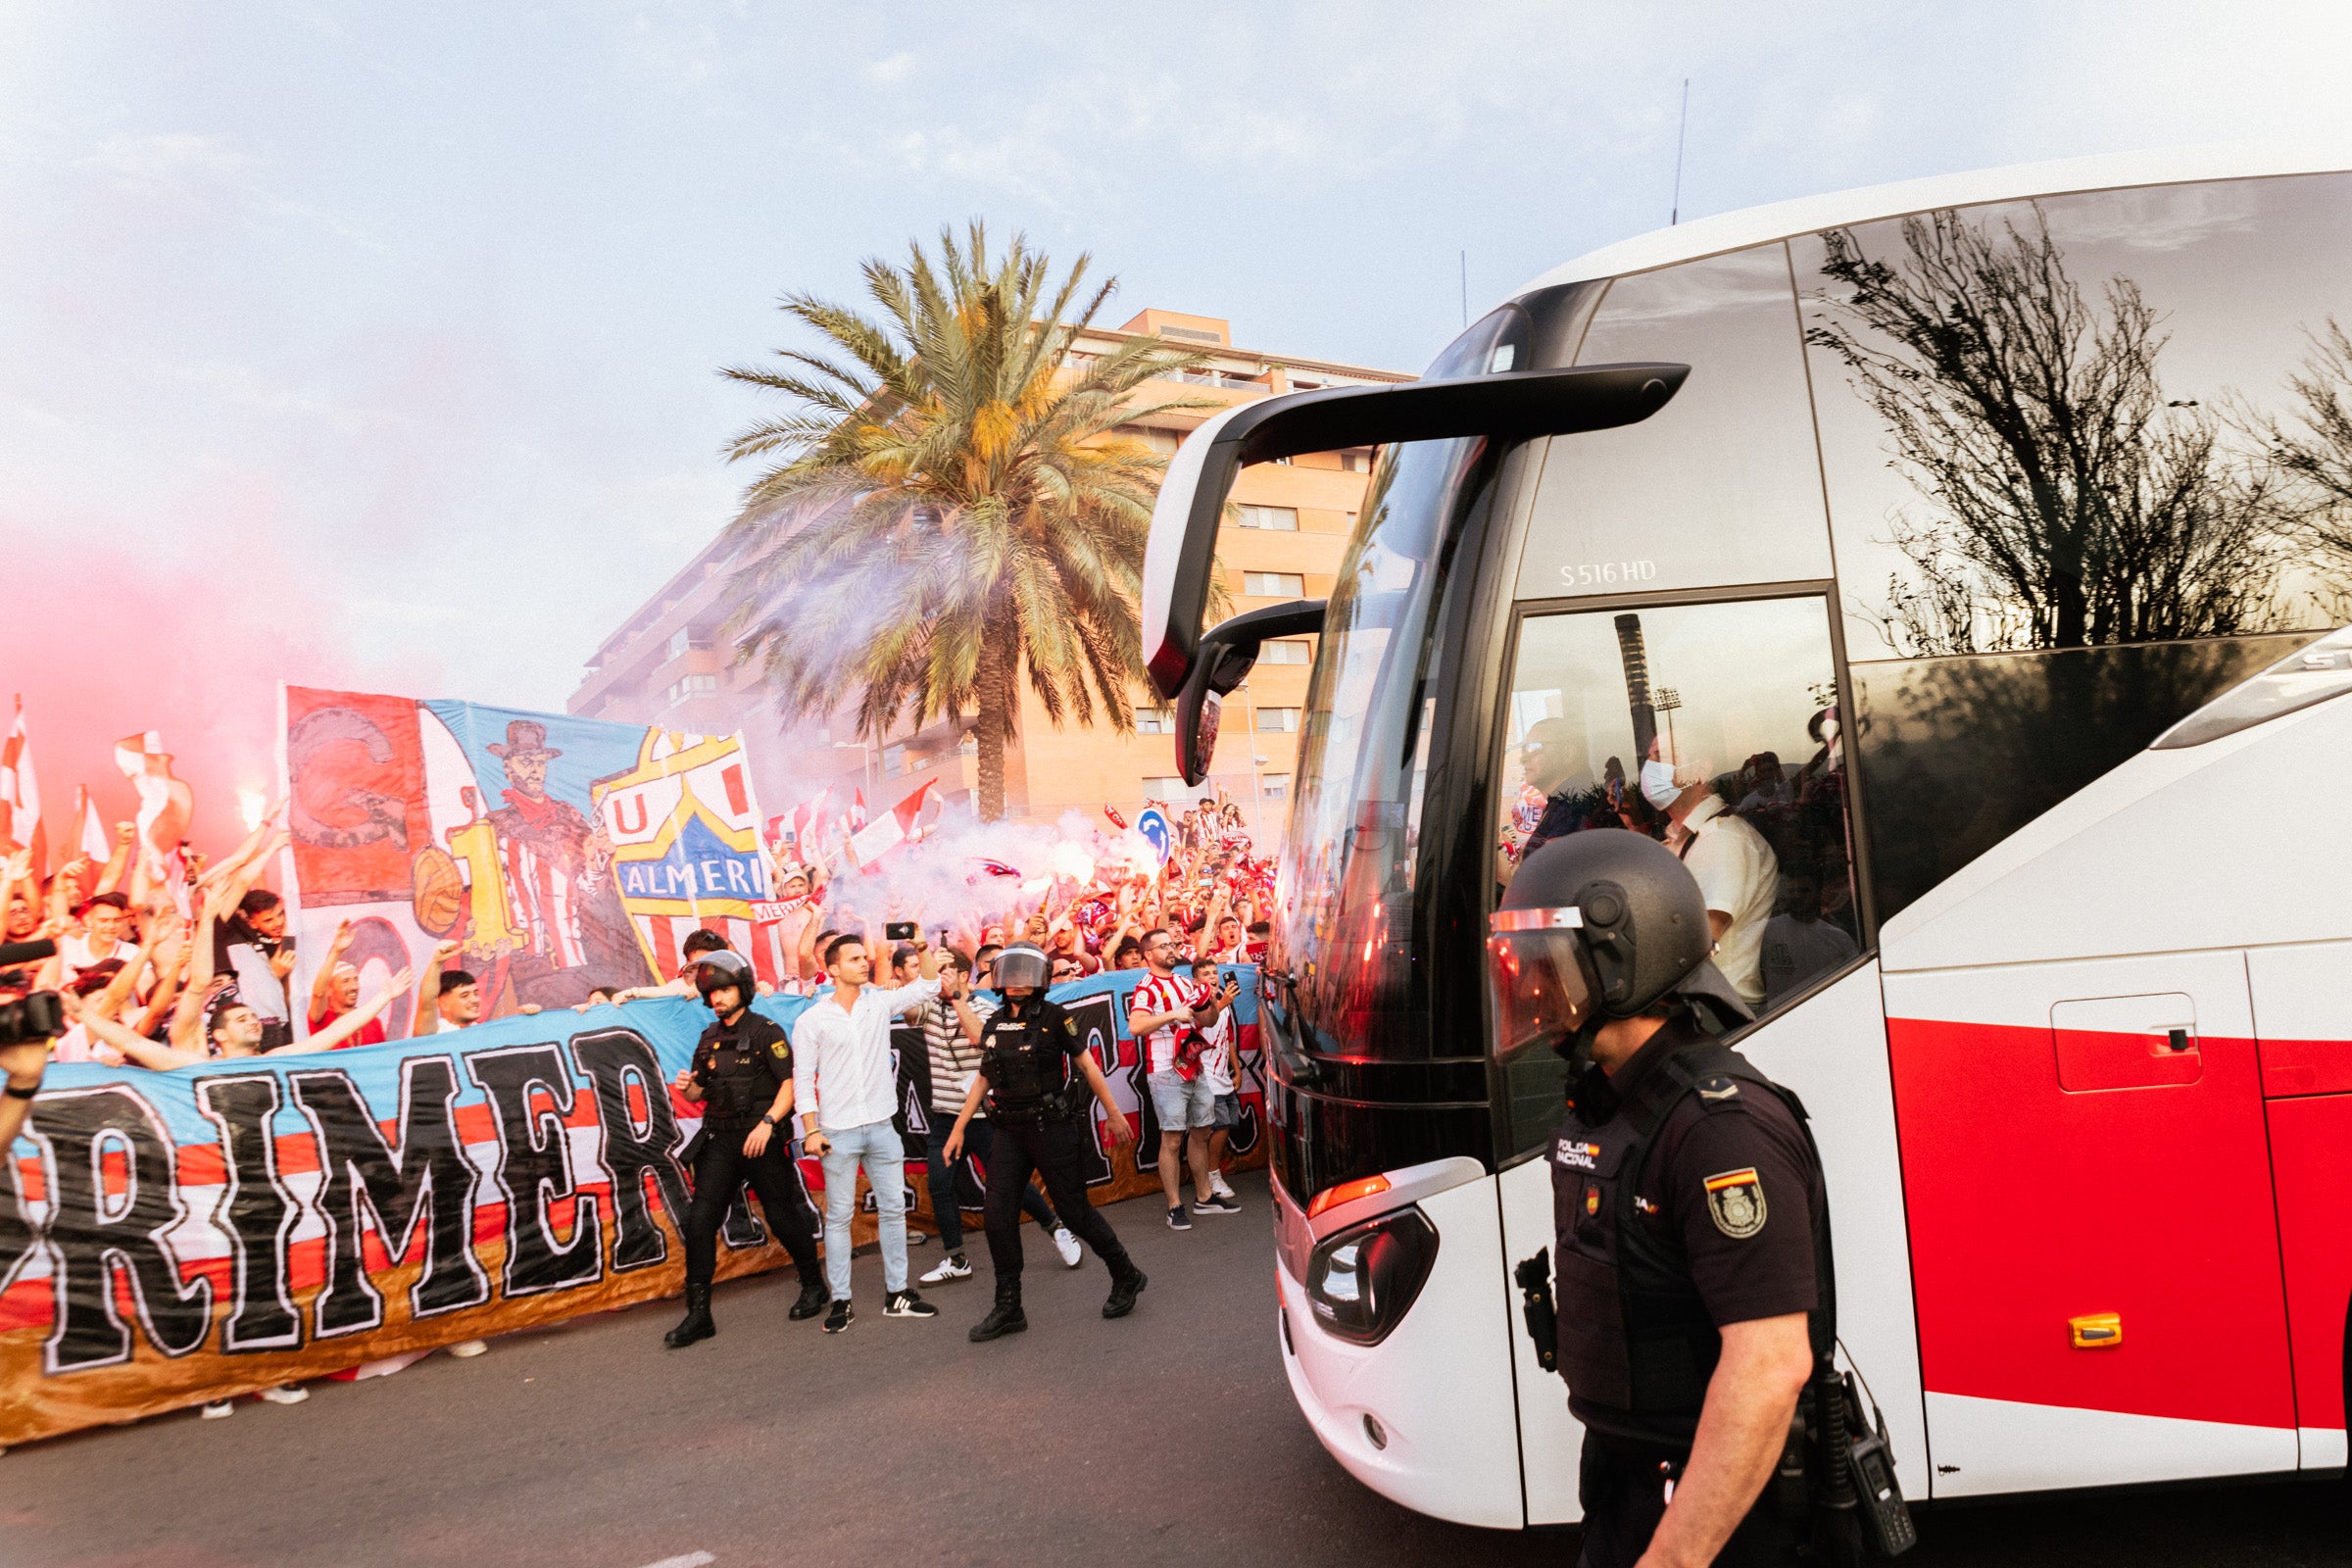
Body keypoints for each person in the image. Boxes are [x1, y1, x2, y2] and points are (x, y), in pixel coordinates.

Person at [1489, 830, 1832, 1567]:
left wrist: (1673, 1559)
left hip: (1721, 1522)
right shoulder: (1613, 1102)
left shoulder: (1719, 1129)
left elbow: (1770, 1365)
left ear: (1619, 960)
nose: (1530, 989)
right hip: (1629, 1491)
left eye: (1547, 965)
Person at [945, 943, 1146, 1341]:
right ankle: (1009, 1307)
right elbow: (985, 1077)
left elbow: (1086, 1064)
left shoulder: (1056, 1017)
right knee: (997, 1215)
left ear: (1039, 979)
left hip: (1051, 1128)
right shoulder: (994, 1023)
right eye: (1010, 974)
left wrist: (1114, 1112)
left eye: (1025, 974)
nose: (1017, 982)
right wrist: (959, 1127)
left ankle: (1126, 1273)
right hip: (1008, 1130)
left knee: (1074, 1212)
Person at [662, 949, 827, 1347]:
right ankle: (699, 1314)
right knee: (700, 1222)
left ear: (743, 989)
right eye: (711, 992)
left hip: (761, 1139)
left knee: (781, 1214)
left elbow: (790, 1084)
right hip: (720, 1139)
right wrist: (691, 1087)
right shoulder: (709, 1038)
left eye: (725, 990)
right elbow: (704, 1091)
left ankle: (814, 1285)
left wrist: (768, 1124)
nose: (717, 998)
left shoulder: (768, 1031)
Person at [790, 932, 942, 1332]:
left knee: (894, 1210)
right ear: (833, 968)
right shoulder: (811, 1021)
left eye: (864, 957)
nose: (864, 963)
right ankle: (841, 1301)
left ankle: (898, 1294)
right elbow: (803, 1080)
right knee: (839, 1217)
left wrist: (922, 947)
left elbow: (930, 984)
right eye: (854, 959)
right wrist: (811, 1130)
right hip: (836, 1133)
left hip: (882, 1127)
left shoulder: (880, 1002)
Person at [916, 950, 1080, 1284]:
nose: (940, 977)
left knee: (1011, 1185)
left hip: (985, 1115)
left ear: (964, 975)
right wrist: (906, 978)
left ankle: (1056, 1228)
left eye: (946, 970)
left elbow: (980, 1039)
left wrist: (958, 998)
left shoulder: (986, 1008)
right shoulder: (929, 1006)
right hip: (947, 1115)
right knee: (940, 1185)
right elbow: (905, 1008)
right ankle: (957, 1258)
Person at [1640, 737, 1778, 1009]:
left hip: (1718, 1013)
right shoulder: (1688, 838)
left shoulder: (1723, 839)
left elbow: (1698, 941)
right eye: (1650, 757)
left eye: (1662, 757)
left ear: (1700, 770)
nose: (1650, 768)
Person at [1129, 928, 1235, 1229]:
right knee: (1172, 1139)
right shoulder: (1146, 988)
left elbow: (1207, 1021)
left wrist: (1210, 1003)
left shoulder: (1185, 982)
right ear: (1149, 955)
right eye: (1164, 946)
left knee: (1202, 1131)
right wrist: (1172, 1014)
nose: (1171, 949)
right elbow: (1136, 1026)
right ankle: (1174, 1205)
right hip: (1164, 1072)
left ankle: (1204, 1197)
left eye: (1172, 944)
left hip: (1193, 1066)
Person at [1189, 957, 1243, 1207]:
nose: (1212, 977)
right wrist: (1221, 1004)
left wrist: (1237, 1068)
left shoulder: (1224, 1001)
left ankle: (1211, 1174)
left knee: (1227, 1124)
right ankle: (1212, 1176)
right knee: (1218, 1127)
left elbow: (1228, 1038)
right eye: (1206, 973)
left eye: (1214, 972)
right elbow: (1201, 1024)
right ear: (1196, 980)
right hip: (1205, 1076)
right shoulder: (1194, 1003)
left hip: (1224, 1075)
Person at [307, 919, 387, 1048]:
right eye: (345, 981)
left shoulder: (373, 1022)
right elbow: (318, 993)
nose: (354, 987)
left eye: (356, 980)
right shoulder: (322, 1018)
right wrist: (336, 952)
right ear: (330, 989)